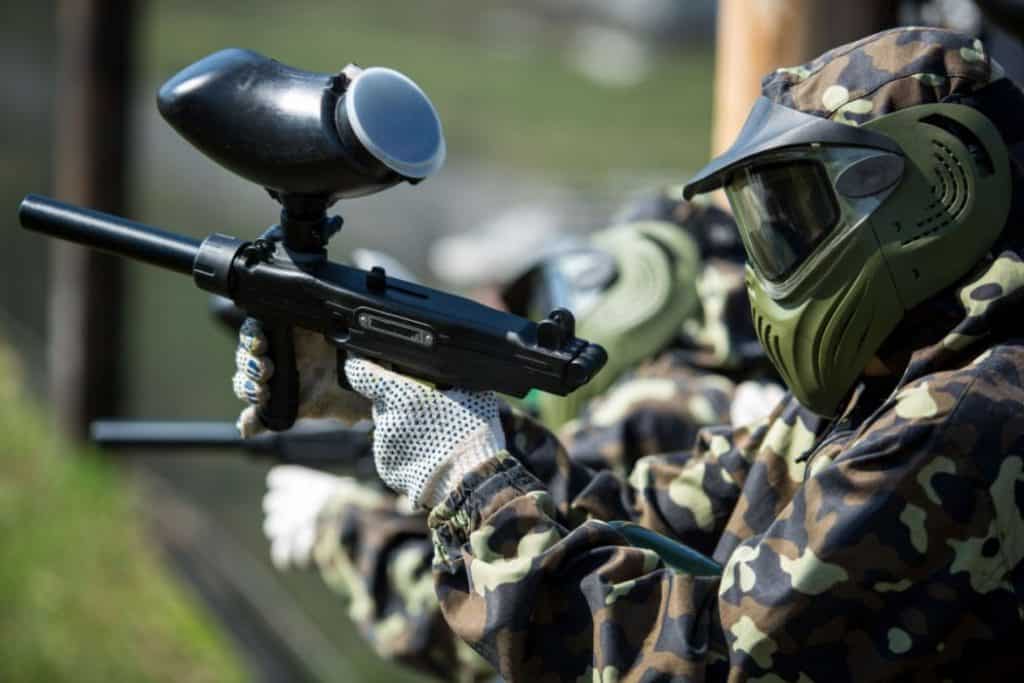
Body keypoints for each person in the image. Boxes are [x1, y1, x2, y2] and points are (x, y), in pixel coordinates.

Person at [242, 26, 1024, 680]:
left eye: (796, 214)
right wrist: (412, 394)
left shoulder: (970, 410)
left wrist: (465, 481)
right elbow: (649, 511)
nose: (773, 258)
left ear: (941, 186)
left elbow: (694, 661)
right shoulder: (897, 376)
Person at [239, 197, 783, 681]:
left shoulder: (656, 405)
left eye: (528, 299)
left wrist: (346, 531)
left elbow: (523, 627)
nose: (508, 319)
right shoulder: (719, 401)